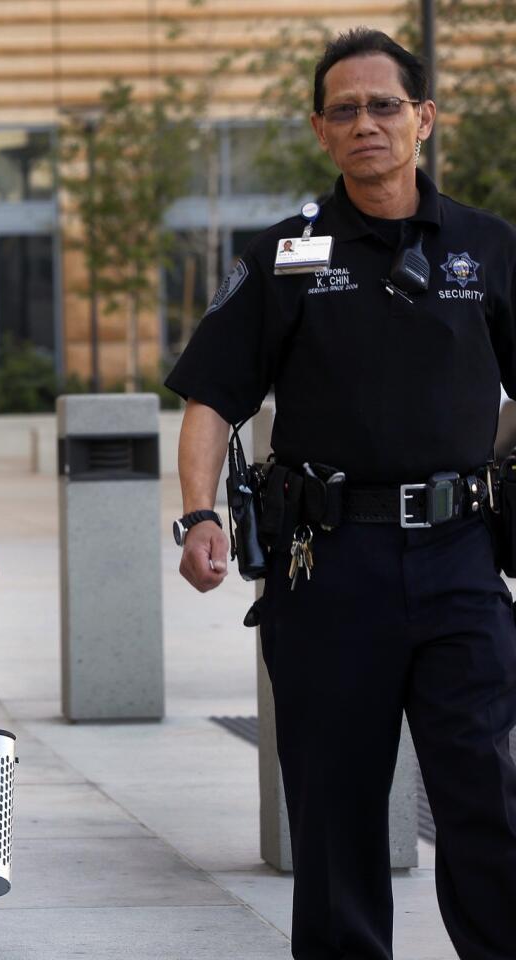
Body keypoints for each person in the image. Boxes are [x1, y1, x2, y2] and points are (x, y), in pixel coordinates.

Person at [168, 27, 516, 960]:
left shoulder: (489, 248)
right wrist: (200, 515)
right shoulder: (284, 255)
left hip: (461, 563)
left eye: (386, 105)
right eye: (346, 110)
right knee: (335, 814)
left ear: (425, 120)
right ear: (321, 130)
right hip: (329, 567)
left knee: (485, 795)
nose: (367, 123)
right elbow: (211, 400)